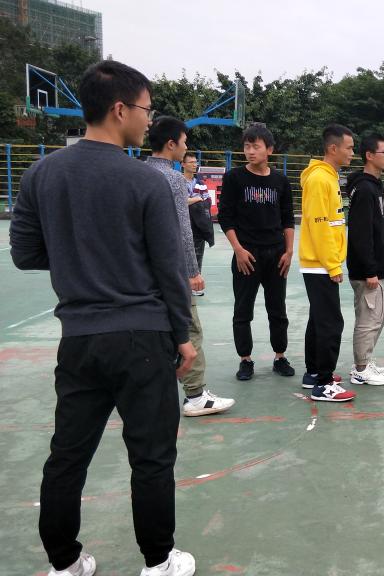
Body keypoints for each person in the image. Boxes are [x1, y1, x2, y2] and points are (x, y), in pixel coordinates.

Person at [11, 60, 197, 576]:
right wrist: (182, 336)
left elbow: (25, 253)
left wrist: (79, 254)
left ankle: (65, 562)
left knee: (68, 454)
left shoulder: (41, 173)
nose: (148, 119)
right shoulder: (147, 181)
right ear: (120, 109)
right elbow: (169, 269)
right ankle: (158, 561)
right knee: (151, 455)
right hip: (142, 337)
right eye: (145, 109)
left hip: (79, 339)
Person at [145, 116, 235, 418]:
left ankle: (151, 391)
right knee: (189, 328)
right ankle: (195, 395)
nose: (186, 149)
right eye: (184, 143)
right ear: (171, 144)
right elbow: (182, 229)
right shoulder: (172, 179)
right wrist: (192, 271)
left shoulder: (139, 172)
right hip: (171, 272)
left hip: (143, 274)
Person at [218, 123, 296, 381]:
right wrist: (238, 250)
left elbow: (287, 219)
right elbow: (225, 217)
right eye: (246, 146)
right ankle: (245, 360)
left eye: (256, 146)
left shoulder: (280, 181)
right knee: (243, 310)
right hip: (247, 255)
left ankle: (280, 356)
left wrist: (289, 251)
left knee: (278, 309)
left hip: (276, 254)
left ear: (269, 150)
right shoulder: (234, 178)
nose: (250, 151)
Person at [298, 124, 357, 402]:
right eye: (349, 148)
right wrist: (333, 265)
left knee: (319, 320)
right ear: (333, 148)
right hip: (320, 263)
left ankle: (313, 373)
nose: (352, 153)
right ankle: (324, 383)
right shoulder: (320, 180)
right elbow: (320, 227)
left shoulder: (328, 177)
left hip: (320, 262)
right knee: (331, 323)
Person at [346, 134, 384, 386]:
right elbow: (360, 234)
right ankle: (361, 368)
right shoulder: (365, 190)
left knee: (377, 318)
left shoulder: (374, 185)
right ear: (369, 155)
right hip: (368, 271)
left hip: (376, 267)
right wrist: (370, 270)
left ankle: (366, 361)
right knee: (368, 319)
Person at [183, 151, 213, 293]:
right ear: (183, 164)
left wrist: (191, 201)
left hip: (198, 226)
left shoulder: (201, 184)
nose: (195, 165)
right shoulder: (178, 181)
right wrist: (196, 199)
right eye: (191, 162)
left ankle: (195, 286)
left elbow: (208, 201)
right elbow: (179, 201)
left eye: (196, 162)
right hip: (183, 226)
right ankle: (184, 286)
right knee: (183, 256)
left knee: (198, 256)